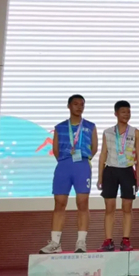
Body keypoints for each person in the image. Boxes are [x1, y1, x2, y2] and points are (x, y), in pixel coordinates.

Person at [40, 95, 98, 254]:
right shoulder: (60, 127)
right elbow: (56, 150)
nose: (79, 107)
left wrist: (83, 159)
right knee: (59, 203)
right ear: (69, 106)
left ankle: (81, 242)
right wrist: (66, 160)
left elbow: (94, 148)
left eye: (82, 104)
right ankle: (55, 243)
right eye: (75, 104)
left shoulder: (90, 126)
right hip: (64, 165)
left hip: (82, 166)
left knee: (82, 202)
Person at [97, 101, 139, 252]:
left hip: (128, 171)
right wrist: (100, 176)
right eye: (123, 112)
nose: (126, 115)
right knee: (109, 207)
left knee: (127, 207)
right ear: (115, 113)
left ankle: (126, 240)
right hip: (110, 171)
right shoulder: (107, 132)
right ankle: (108, 241)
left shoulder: (135, 132)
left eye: (128, 112)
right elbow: (103, 154)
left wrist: (138, 176)